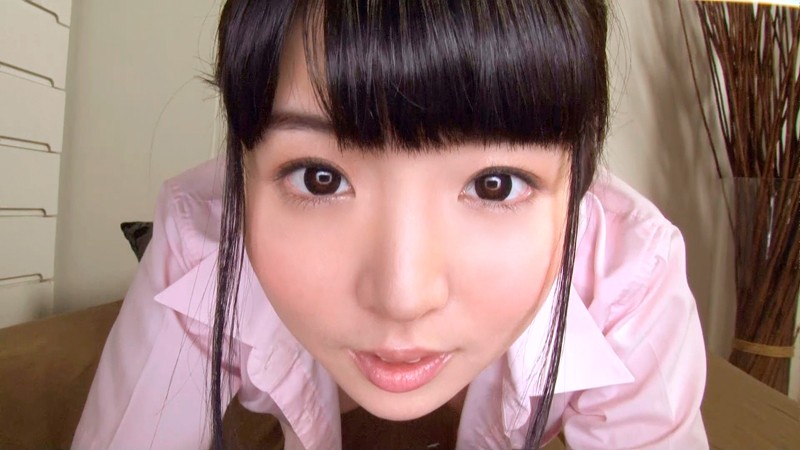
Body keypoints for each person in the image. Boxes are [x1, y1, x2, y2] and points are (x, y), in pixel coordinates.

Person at [73, 1, 708, 449]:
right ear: (244, 160)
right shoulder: (203, 240)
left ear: (578, 176)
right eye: (320, 178)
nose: (402, 297)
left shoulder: (629, 277)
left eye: (494, 184)